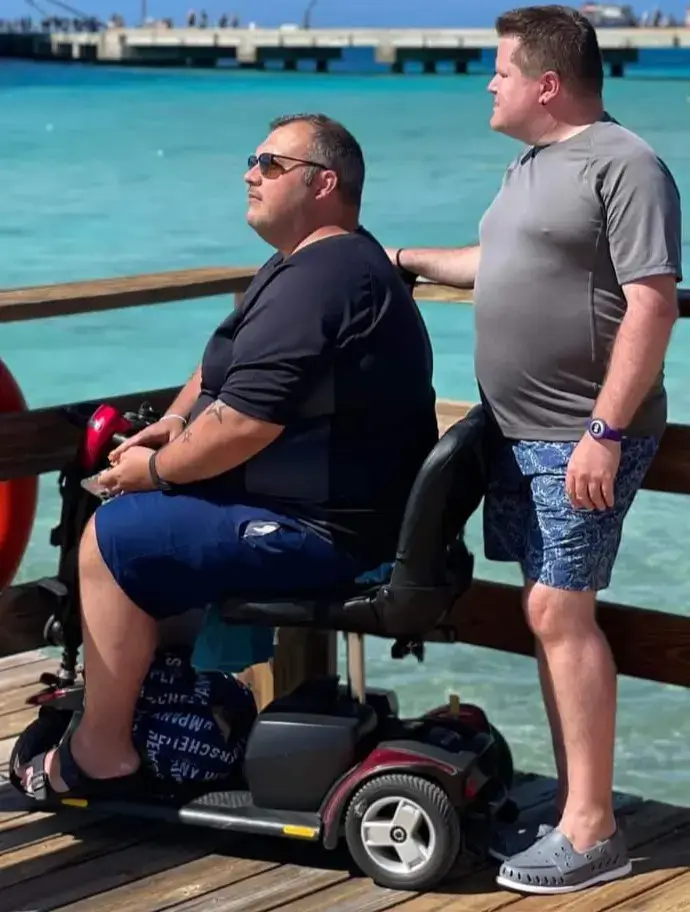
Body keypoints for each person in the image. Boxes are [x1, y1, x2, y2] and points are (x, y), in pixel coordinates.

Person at [18, 113, 438, 804]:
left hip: (326, 531)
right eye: (253, 160)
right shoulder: (306, 264)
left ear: (324, 184)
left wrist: (155, 471)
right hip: (330, 510)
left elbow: (243, 423)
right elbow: (220, 369)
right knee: (149, 523)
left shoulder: (323, 281)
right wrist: (173, 424)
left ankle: (102, 753)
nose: (250, 174)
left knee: (113, 536)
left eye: (270, 164)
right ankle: (165, 705)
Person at [388, 4, 682, 895]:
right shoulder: (529, 166)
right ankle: (573, 810)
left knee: (559, 611)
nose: (489, 83)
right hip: (514, 430)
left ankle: (593, 831)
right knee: (543, 611)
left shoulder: (627, 164)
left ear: (547, 84)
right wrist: (398, 256)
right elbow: (494, 262)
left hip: (579, 433)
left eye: (502, 70)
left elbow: (653, 302)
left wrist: (604, 432)